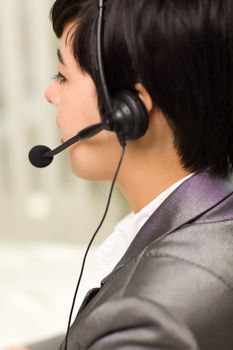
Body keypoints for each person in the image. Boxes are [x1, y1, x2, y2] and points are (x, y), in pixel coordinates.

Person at [10, 0, 233, 349]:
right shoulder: (215, 217)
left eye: (63, 76)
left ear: (128, 110)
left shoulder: (151, 318)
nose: (50, 93)